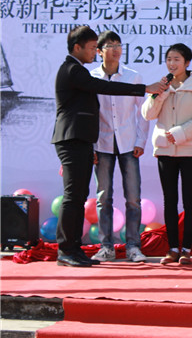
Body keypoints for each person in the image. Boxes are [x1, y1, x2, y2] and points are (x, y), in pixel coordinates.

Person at [51, 26, 166, 267]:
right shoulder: (74, 70)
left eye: (117, 46)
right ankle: (67, 250)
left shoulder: (80, 71)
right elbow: (106, 87)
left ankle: (74, 249)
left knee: (80, 196)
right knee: (75, 197)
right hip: (75, 140)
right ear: (77, 48)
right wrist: (144, 89)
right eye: (93, 48)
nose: (94, 52)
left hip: (87, 141)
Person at [141, 43, 192, 266]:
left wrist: (180, 133)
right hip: (165, 151)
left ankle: (187, 249)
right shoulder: (162, 85)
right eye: (169, 59)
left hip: (190, 151)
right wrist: (160, 94)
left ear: (187, 62)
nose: (172, 64)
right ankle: (172, 248)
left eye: (177, 59)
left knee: (189, 200)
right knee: (169, 200)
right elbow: (148, 115)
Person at [89, 31, 149, 263]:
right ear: (99, 51)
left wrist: (140, 141)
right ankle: (106, 247)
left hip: (128, 144)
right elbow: (88, 114)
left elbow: (143, 112)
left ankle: (133, 246)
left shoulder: (133, 77)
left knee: (133, 198)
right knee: (104, 198)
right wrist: (91, 146)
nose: (116, 49)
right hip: (101, 143)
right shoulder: (91, 77)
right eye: (110, 45)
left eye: (118, 45)